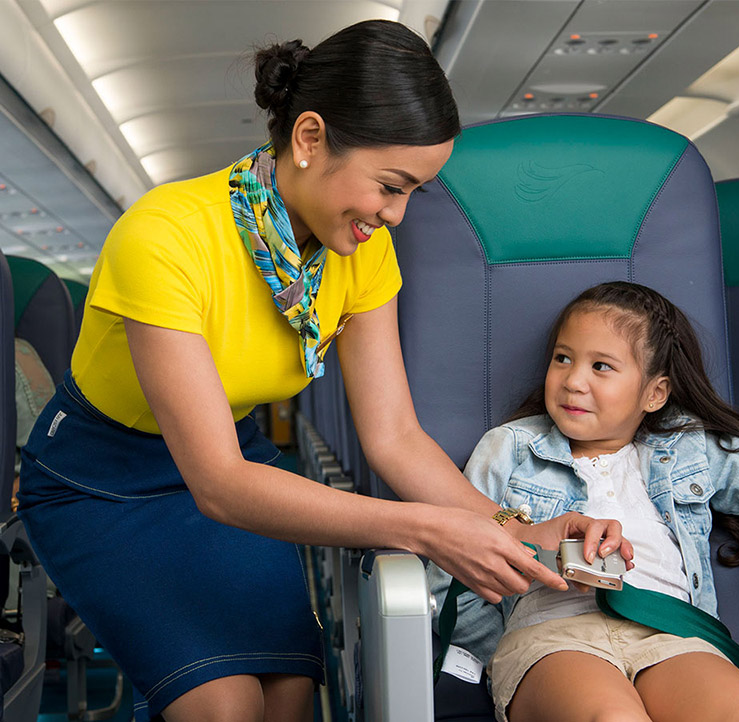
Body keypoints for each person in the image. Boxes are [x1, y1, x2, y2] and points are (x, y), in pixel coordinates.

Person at [16, 20, 630, 722]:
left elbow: (395, 435)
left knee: (290, 698)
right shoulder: (165, 236)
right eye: (389, 186)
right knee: (222, 707)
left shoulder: (359, 250)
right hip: (99, 482)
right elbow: (216, 484)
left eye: (413, 195)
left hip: (237, 460)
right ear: (309, 139)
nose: (395, 216)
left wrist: (512, 527)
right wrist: (426, 530)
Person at [428, 281, 739, 722]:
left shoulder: (687, 447)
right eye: (563, 358)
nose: (573, 381)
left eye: (601, 366)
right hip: (553, 637)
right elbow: (449, 575)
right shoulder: (510, 449)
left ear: (654, 394)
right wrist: (502, 648)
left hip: (673, 632)